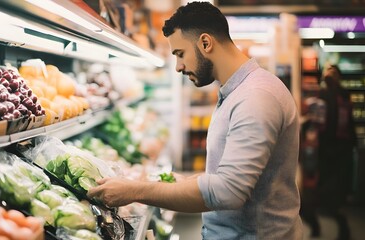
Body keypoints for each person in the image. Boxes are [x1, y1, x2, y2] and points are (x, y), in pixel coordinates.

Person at [88, 2, 303, 239]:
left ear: (205, 43)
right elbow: (237, 177)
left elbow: (229, 192)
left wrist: (135, 191)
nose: (179, 66)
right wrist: (186, 183)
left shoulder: (256, 97)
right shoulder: (237, 92)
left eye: (180, 54)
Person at [316, 64, 357, 240]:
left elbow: (349, 119)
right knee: (328, 182)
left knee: (338, 183)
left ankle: (339, 219)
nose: (329, 75)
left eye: (332, 72)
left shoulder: (343, 93)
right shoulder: (323, 94)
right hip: (328, 146)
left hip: (341, 147)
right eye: (327, 71)